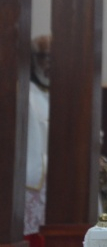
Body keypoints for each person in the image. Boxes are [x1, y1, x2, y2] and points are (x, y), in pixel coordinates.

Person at [25, 34, 51, 241]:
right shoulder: (26, 95)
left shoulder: (72, 94)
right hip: (36, 175)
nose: (49, 64)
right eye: (44, 57)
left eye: (54, 57)